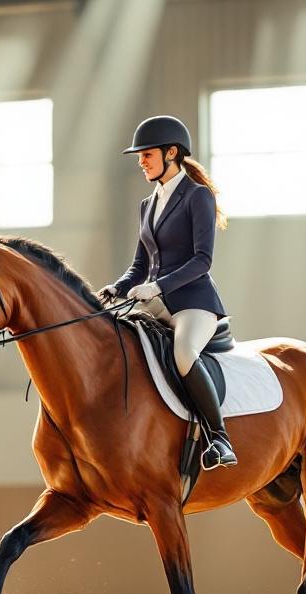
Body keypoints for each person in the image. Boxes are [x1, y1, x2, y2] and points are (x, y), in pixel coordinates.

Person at [97, 115, 236, 469]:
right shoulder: (148, 205)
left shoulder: (197, 196)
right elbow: (138, 265)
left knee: (184, 354)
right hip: (156, 302)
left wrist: (157, 287)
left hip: (194, 303)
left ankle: (219, 439)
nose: (141, 161)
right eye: (140, 156)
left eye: (146, 154)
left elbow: (202, 260)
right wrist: (119, 287)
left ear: (171, 152)